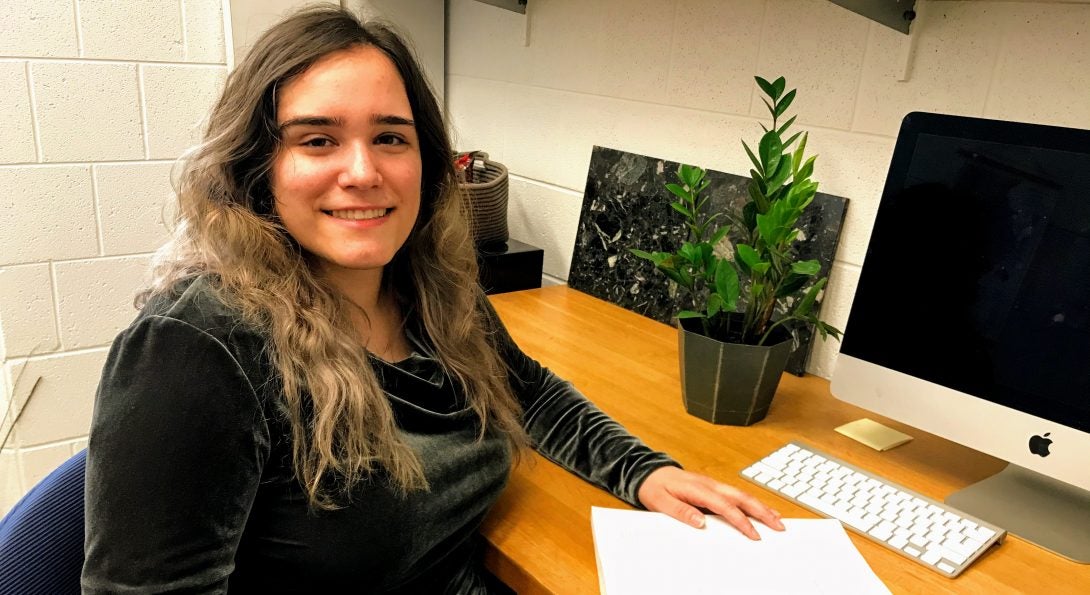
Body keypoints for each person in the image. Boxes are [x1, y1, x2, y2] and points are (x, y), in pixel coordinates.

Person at [82, 6, 784, 593]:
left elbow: (526, 390)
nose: (363, 171)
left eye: (391, 137)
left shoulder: (428, 287)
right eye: (317, 139)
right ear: (258, 167)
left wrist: (646, 471)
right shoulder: (197, 349)